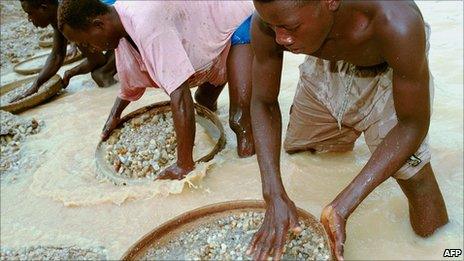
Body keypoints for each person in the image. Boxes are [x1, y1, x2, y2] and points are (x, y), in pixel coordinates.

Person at [248, 0, 449, 260]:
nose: (281, 38)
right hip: (326, 60)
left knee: (412, 172)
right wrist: (272, 193)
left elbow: (413, 125)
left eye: (290, 27)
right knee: (305, 152)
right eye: (272, 26)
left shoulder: (397, 23)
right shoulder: (271, 20)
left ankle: (442, 250)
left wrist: (344, 205)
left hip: (390, 66)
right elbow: (263, 102)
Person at [58, 0, 255, 180]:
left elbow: (179, 95)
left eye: (86, 42)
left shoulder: (146, 25)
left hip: (236, 23)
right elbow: (132, 82)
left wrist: (184, 164)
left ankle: (247, 177)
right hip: (207, 34)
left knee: (239, 121)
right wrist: (115, 115)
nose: (90, 49)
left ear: (99, 24)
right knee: (203, 101)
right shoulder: (122, 31)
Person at [14, 0, 116, 102]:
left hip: (123, 26)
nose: (29, 19)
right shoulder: (58, 18)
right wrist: (36, 84)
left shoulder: (70, 18)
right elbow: (57, 56)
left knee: (101, 74)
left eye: (30, 13)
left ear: (43, 8)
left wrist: (71, 72)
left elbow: (97, 60)